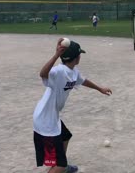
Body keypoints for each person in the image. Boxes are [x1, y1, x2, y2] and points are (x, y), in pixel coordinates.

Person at [33, 38, 112, 173]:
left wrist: (100, 88)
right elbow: (43, 74)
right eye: (80, 54)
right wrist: (56, 55)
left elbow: (82, 80)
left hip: (52, 117)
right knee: (61, 166)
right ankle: (60, 167)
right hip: (45, 121)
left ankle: (60, 164)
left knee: (65, 136)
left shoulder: (73, 71)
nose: (80, 56)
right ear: (76, 57)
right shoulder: (59, 71)